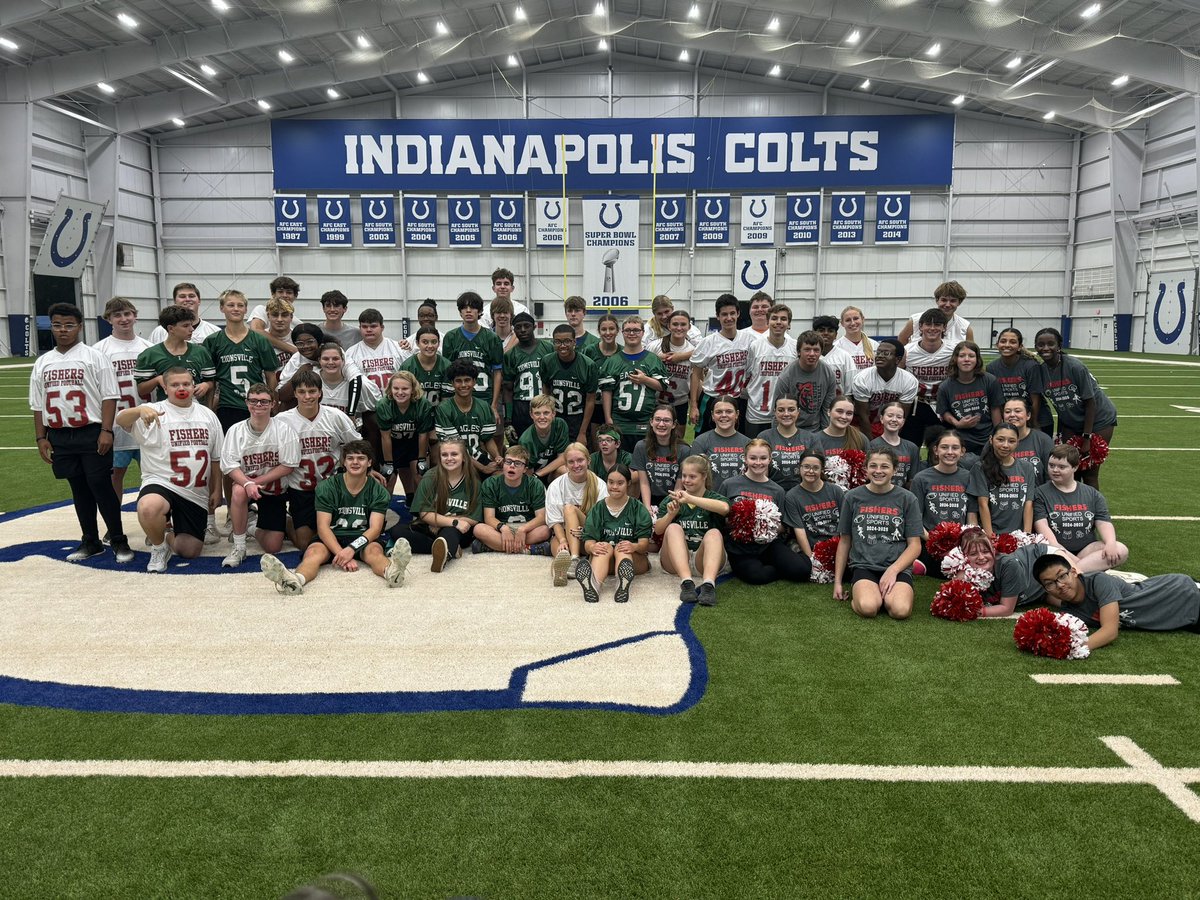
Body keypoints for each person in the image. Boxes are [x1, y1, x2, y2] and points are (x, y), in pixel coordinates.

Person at [31, 302, 133, 563]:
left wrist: (106, 430)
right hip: (60, 434)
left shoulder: (93, 356)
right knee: (78, 488)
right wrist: (41, 437)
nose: (63, 330)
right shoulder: (43, 361)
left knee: (101, 486)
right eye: (57, 325)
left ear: (79, 326)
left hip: (90, 430)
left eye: (68, 325)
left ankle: (119, 540)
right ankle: (90, 540)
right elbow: (37, 404)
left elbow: (110, 396)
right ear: (50, 327)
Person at [261, 441, 409, 594]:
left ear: (370, 462)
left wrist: (351, 549)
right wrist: (341, 553)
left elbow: (375, 529)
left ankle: (392, 573)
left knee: (375, 552)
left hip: (362, 537)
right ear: (343, 462)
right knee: (313, 553)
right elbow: (323, 527)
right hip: (331, 537)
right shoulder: (327, 487)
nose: (355, 462)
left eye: (361, 458)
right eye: (350, 458)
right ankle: (294, 580)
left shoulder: (378, 490)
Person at [115, 367, 223, 572]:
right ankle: (158, 547)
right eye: (175, 384)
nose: (181, 388)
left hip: (194, 492)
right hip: (161, 481)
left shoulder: (207, 415)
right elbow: (121, 420)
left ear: (193, 386)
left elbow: (216, 458)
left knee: (190, 550)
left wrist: (217, 489)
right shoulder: (153, 410)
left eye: (186, 384)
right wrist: (139, 410)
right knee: (149, 506)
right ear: (165, 387)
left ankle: (166, 535)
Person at [204, 289, 281, 532]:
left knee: (261, 457)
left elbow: (271, 375)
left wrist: (272, 403)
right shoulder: (213, 341)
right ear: (222, 309)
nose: (235, 309)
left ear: (246, 310)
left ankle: (255, 505)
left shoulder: (259, 340)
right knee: (230, 462)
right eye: (230, 305)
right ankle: (232, 510)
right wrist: (208, 410)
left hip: (256, 408)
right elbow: (210, 380)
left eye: (240, 305)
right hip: (228, 407)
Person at [275, 369, 362, 553]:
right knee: (305, 544)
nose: (308, 396)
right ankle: (287, 521)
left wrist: (365, 472)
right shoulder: (282, 421)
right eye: (302, 392)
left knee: (342, 534)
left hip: (332, 487)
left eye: (312, 391)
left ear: (320, 392)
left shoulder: (335, 416)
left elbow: (357, 446)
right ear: (294, 393)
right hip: (301, 489)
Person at [833, 447, 924, 619]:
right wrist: (837, 582)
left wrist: (893, 570)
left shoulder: (907, 498)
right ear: (865, 468)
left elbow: (915, 545)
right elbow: (845, 541)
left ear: (894, 470)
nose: (878, 471)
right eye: (873, 466)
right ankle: (867, 594)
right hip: (864, 566)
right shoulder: (852, 497)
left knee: (900, 611)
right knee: (868, 608)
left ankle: (887, 595)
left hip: (897, 567)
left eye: (885, 466)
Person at [1036, 555, 1200, 650]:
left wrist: (1072, 649)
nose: (1060, 585)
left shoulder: (1098, 581)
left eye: (1062, 576)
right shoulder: (1070, 610)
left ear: (1073, 572)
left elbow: (1110, 631)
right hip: (1180, 616)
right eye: (1050, 583)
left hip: (1183, 593)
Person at [218, 383, 299, 568]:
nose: (258, 405)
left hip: (273, 489)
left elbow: (288, 465)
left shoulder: (283, 429)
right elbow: (229, 466)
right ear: (247, 403)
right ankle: (239, 547)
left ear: (273, 404)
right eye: (253, 401)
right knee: (238, 491)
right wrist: (247, 484)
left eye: (264, 401)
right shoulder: (236, 430)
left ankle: (251, 525)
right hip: (246, 487)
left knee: (273, 546)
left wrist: (255, 482)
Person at [1035, 327, 1118, 488]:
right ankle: (1076, 507)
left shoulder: (1075, 367)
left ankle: (1093, 511)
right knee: (1071, 469)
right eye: (1041, 344)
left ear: (1059, 346)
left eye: (1050, 344)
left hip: (1099, 420)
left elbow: (1090, 403)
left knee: (1089, 471)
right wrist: (1059, 435)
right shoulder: (1041, 371)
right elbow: (1060, 406)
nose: (1045, 348)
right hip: (1071, 422)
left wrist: (1086, 438)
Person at [721, 439, 811, 585]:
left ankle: (784, 559)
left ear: (770, 459)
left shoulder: (777, 490)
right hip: (740, 547)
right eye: (753, 458)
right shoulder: (729, 484)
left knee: (802, 570)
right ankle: (765, 567)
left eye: (763, 458)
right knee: (757, 576)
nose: (758, 462)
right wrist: (743, 523)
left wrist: (764, 526)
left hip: (768, 545)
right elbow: (721, 518)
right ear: (745, 459)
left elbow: (783, 527)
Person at [386, 438, 482, 573]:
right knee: (397, 531)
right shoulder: (431, 477)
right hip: (432, 527)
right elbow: (424, 513)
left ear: (464, 457)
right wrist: (451, 521)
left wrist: (448, 523)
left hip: (457, 530)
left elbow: (474, 517)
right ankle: (446, 548)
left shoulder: (473, 482)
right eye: (444, 455)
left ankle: (444, 554)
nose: (449, 458)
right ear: (439, 457)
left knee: (450, 532)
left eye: (454, 454)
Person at [1033, 443, 1128, 569]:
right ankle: (1082, 572)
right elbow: (1044, 530)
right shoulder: (1040, 493)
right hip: (1056, 551)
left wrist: (1110, 544)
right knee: (1053, 551)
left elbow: (1103, 522)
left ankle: (1073, 572)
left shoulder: (1092, 493)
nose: (1055, 470)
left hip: (1087, 550)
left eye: (1062, 467)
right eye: (1051, 465)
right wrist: (1076, 561)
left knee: (1121, 549)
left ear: (1075, 467)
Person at [94, 297, 152, 501]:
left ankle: (159, 524)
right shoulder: (99, 350)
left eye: (127, 313)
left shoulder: (149, 347)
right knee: (115, 474)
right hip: (116, 424)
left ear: (135, 316)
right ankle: (114, 525)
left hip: (147, 422)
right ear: (108, 319)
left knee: (154, 476)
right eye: (117, 315)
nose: (123, 319)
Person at [656, 455, 730, 606]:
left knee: (714, 533)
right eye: (684, 475)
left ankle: (708, 585)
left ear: (704, 477)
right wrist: (670, 515)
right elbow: (658, 530)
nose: (686, 480)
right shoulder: (672, 499)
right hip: (675, 561)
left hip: (703, 560)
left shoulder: (714, 498)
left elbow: (725, 508)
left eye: (692, 476)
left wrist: (690, 499)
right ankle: (687, 583)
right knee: (673, 527)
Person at [575, 464, 653, 603]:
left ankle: (622, 585)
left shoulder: (638, 508)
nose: (614, 487)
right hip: (606, 560)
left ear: (628, 483)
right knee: (604, 546)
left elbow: (644, 544)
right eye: (611, 482)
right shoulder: (598, 508)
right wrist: (592, 547)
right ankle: (593, 585)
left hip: (634, 560)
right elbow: (588, 542)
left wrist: (633, 546)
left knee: (622, 548)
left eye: (620, 483)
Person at [598, 315, 668, 454]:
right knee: (620, 465)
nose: (632, 334)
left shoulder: (652, 359)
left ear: (643, 332)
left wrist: (645, 379)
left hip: (645, 422)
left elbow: (662, 386)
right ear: (622, 333)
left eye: (636, 330)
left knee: (645, 462)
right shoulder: (613, 361)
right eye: (628, 330)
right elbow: (607, 391)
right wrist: (608, 418)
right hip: (620, 423)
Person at [688, 294, 756, 432]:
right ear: (717, 316)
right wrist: (694, 405)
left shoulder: (750, 339)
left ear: (738, 314)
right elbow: (695, 374)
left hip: (737, 399)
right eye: (724, 314)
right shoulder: (708, 342)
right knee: (705, 440)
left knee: (738, 442)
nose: (729, 318)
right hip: (712, 398)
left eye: (732, 313)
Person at [910, 428, 977, 568]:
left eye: (955, 448)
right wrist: (934, 541)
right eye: (944, 447)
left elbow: (971, 517)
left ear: (962, 451)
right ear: (936, 450)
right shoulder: (921, 478)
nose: (950, 452)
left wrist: (969, 540)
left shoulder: (969, 477)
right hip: (930, 543)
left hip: (960, 544)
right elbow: (915, 519)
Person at [546, 442, 609, 586]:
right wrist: (562, 540)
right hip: (565, 534)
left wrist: (587, 532)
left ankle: (574, 558)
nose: (576, 465)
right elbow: (554, 520)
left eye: (580, 460)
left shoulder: (600, 485)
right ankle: (563, 565)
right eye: (571, 462)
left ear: (588, 461)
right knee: (558, 546)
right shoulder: (556, 485)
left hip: (589, 537)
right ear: (566, 465)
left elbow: (603, 519)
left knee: (569, 508)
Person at [472, 445, 552, 554]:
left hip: (527, 528)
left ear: (525, 469)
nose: (512, 466)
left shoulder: (535, 484)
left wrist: (523, 529)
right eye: (508, 462)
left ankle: (492, 547)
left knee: (545, 530)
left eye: (517, 463)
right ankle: (529, 549)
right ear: (503, 464)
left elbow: (541, 517)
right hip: (501, 528)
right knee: (478, 529)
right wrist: (503, 528)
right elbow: (489, 517)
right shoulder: (490, 483)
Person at [441, 291, 505, 421]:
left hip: (485, 396)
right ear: (460, 312)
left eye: (473, 307)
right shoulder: (451, 337)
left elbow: (497, 372)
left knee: (490, 437)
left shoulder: (491, 338)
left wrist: (493, 405)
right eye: (464, 308)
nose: (468, 311)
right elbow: (448, 372)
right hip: (459, 398)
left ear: (480, 311)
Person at [134, 305, 217, 402]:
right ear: (171, 329)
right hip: (166, 413)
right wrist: (157, 380)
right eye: (186, 326)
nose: (192, 329)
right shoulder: (150, 355)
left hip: (196, 411)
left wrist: (206, 385)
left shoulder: (201, 352)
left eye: (191, 324)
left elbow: (211, 382)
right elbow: (141, 390)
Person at [967, 423, 1036, 537]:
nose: (1005, 445)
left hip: (1019, 534)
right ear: (991, 439)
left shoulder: (1027, 467)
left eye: (1011, 441)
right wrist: (990, 536)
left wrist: (1026, 535)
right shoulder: (980, 467)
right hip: (993, 533)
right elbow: (982, 504)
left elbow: (1029, 503)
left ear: (1018, 442)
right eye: (1000, 439)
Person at [435, 359, 501, 477]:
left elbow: (488, 439)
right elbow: (454, 448)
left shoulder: (483, 406)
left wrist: (497, 457)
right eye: (458, 381)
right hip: (454, 460)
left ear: (474, 381)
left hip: (478, 457)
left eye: (467, 380)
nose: (463, 385)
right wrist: (483, 468)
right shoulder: (444, 409)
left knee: (499, 477)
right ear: (452, 383)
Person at [376, 370, 435, 501]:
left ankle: (424, 513)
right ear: (390, 389)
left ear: (413, 389)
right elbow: (385, 437)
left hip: (414, 443)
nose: (400, 392)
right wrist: (389, 463)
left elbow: (423, 435)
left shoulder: (422, 404)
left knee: (420, 475)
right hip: (392, 444)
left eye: (405, 388)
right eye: (396, 388)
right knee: (387, 478)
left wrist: (421, 460)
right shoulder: (383, 405)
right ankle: (380, 515)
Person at [936, 340, 1003, 454]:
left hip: (986, 437)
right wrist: (958, 424)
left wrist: (998, 435)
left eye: (971, 356)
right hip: (961, 439)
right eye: (962, 356)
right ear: (955, 359)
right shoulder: (945, 387)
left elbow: (995, 408)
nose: (966, 359)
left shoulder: (990, 380)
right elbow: (944, 411)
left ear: (977, 360)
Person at [740, 304, 796, 436]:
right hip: (757, 413)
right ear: (767, 321)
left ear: (789, 324)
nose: (778, 322)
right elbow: (747, 376)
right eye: (774, 318)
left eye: (783, 319)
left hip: (784, 414)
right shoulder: (755, 346)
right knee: (755, 452)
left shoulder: (794, 346)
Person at [900, 308, 952, 445]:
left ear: (944, 328)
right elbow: (897, 377)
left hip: (943, 404)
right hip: (916, 403)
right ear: (920, 327)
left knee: (945, 444)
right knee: (910, 444)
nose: (932, 328)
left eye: (937, 325)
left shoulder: (953, 350)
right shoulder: (907, 351)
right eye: (928, 324)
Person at [541, 323, 597, 446]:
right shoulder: (547, 361)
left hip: (578, 420)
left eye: (567, 341)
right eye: (558, 342)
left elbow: (590, 401)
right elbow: (546, 391)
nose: (562, 346)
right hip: (555, 418)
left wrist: (582, 432)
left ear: (574, 342)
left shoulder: (588, 365)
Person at [770, 329, 836, 433]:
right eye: (807, 349)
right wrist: (776, 436)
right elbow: (777, 411)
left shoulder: (828, 373)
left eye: (816, 350)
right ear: (798, 351)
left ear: (821, 351)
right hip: (790, 429)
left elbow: (827, 410)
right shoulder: (786, 376)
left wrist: (825, 435)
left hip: (815, 429)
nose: (812, 354)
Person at [988, 327, 1051, 435]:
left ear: (1019, 347)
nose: (1007, 345)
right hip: (1012, 421)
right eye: (1003, 341)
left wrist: (1032, 423)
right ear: (997, 345)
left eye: (1012, 342)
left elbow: (1035, 399)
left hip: (1038, 421)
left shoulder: (1030, 366)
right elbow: (996, 401)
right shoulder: (992, 368)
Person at [785, 450, 845, 560]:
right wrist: (811, 560)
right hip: (811, 546)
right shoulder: (791, 496)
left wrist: (842, 552)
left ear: (822, 469)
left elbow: (844, 524)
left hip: (837, 545)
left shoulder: (835, 491)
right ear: (800, 468)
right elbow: (800, 531)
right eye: (806, 467)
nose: (811, 471)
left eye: (816, 468)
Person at [852, 338, 918, 432]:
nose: (880, 356)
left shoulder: (909, 381)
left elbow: (901, 416)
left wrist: (891, 440)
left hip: (891, 423)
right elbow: (862, 416)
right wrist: (871, 444)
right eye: (878, 353)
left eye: (886, 353)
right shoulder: (862, 378)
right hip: (865, 425)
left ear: (897, 359)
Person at [632, 405, 690, 511]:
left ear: (673, 424)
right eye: (657, 419)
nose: (661, 424)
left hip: (673, 498)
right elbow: (644, 482)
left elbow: (679, 485)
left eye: (666, 420)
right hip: (648, 498)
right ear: (651, 422)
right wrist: (647, 508)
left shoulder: (684, 450)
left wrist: (670, 508)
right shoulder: (641, 447)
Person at [345, 308, 411, 397]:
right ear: (360, 328)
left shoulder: (398, 348)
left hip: (395, 405)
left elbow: (410, 377)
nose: (368, 330)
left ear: (382, 327)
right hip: (367, 408)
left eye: (373, 326)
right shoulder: (351, 353)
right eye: (364, 326)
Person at [505, 312, 551, 438]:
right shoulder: (510, 355)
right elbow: (508, 389)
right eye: (518, 327)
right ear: (514, 330)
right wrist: (508, 418)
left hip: (544, 402)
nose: (523, 330)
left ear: (534, 327)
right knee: (523, 444)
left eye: (527, 326)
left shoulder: (548, 348)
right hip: (521, 405)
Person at [687, 397, 749, 490]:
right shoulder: (701, 442)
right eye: (719, 412)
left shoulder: (748, 443)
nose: (724, 415)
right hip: (709, 500)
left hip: (739, 498)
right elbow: (692, 476)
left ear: (737, 414)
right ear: (712, 415)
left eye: (729, 411)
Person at [655, 309, 698, 442]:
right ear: (669, 326)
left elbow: (694, 378)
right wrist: (657, 358)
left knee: (678, 441)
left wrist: (694, 406)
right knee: (654, 440)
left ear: (689, 327)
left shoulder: (692, 350)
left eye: (683, 324)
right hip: (657, 402)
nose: (679, 328)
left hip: (680, 402)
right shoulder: (655, 346)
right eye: (675, 324)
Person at [759, 396, 816, 491]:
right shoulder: (764, 437)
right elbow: (758, 470)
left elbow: (817, 470)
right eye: (781, 410)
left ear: (798, 411)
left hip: (804, 492)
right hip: (771, 492)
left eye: (791, 410)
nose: (786, 414)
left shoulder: (810, 438)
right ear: (775, 412)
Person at [897, 280, 974, 346]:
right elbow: (901, 341)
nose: (947, 305)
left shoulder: (965, 327)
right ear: (937, 300)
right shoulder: (916, 320)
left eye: (953, 301)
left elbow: (971, 351)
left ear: (959, 302)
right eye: (944, 300)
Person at [249, 276, 301, 361]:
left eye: (289, 292)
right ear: (273, 294)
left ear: (295, 296)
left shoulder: (298, 323)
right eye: (280, 292)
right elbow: (256, 331)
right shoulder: (262, 309)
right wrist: (292, 349)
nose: (284, 295)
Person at [147, 282, 220, 343]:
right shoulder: (160, 332)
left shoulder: (214, 332)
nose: (187, 299)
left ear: (199, 301)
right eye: (182, 296)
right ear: (175, 301)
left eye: (191, 296)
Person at [868, 401, 920, 489]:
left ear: (903, 421)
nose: (894, 419)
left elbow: (913, 479)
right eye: (890, 415)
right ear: (881, 419)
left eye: (899, 417)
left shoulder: (912, 448)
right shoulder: (872, 446)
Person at [1004, 397, 1054, 484]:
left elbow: (1051, 476)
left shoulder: (1043, 440)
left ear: (1028, 415)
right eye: (1007, 412)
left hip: (1037, 495)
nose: (1012, 415)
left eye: (1018, 411)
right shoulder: (995, 441)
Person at [520, 393, 570, 482]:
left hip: (551, 473)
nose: (542, 417)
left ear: (553, 413)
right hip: (533, 476)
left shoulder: (560, 425)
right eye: (537, 413)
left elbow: (563, 458)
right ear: (531, 415)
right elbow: (529, 472)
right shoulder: (526, 440)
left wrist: (540, 473)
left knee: (565, 470)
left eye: (546, 413)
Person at [399, 326, 451, 407]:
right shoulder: (407, 366)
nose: (430, 346)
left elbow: (447, 398)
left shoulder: (446, 365)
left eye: (434, 342)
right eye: (425, 342)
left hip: (440, 413)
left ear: (439, 343)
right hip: (415, 415)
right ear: (417, 343)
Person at [810, 396, 867, 461]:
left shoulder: (860, 439)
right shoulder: (815, 440)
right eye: (839, 411)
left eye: (849, 413)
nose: (844, 417)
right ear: (829, 412)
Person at [812, 314, 856, 399]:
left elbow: (850, 392)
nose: (826, 333)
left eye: (830, 330)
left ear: (836, 335)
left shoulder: (845, 357)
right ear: (815, 333)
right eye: (821, 330)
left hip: (837, 406)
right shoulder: (808, 356)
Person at [259, 295, 298, 370]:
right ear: (268, 316)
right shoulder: (258, 339)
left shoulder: (299, 338)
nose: (279, 319)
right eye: (275, 315)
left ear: (291, 317)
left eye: (284, 315)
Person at [832, 305, 873, 371]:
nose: (853, 323)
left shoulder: (874, 346)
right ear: (842, 323)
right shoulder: (836, 347)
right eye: (848, 320)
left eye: (856, 318)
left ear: (862, 319)